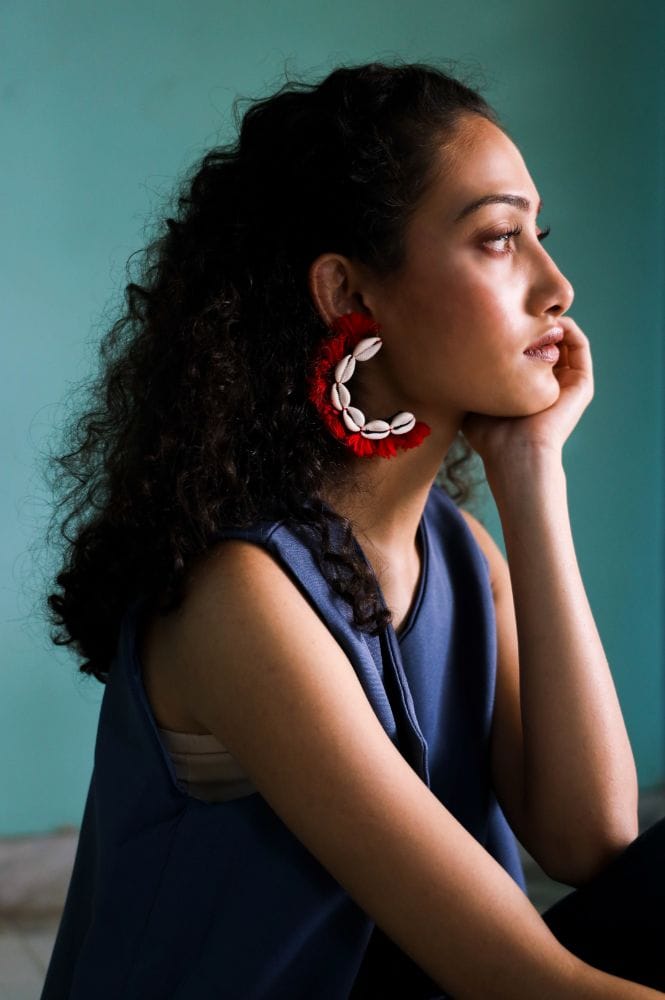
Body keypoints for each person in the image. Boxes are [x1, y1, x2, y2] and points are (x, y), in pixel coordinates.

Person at [40, 61, 664, 999]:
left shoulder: (458, 551)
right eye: (499, 238)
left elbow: (591, 841)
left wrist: (533, 473)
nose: (556, 287)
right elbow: (523, 984)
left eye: (540, 236)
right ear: (349, 293)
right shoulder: (240, 599)